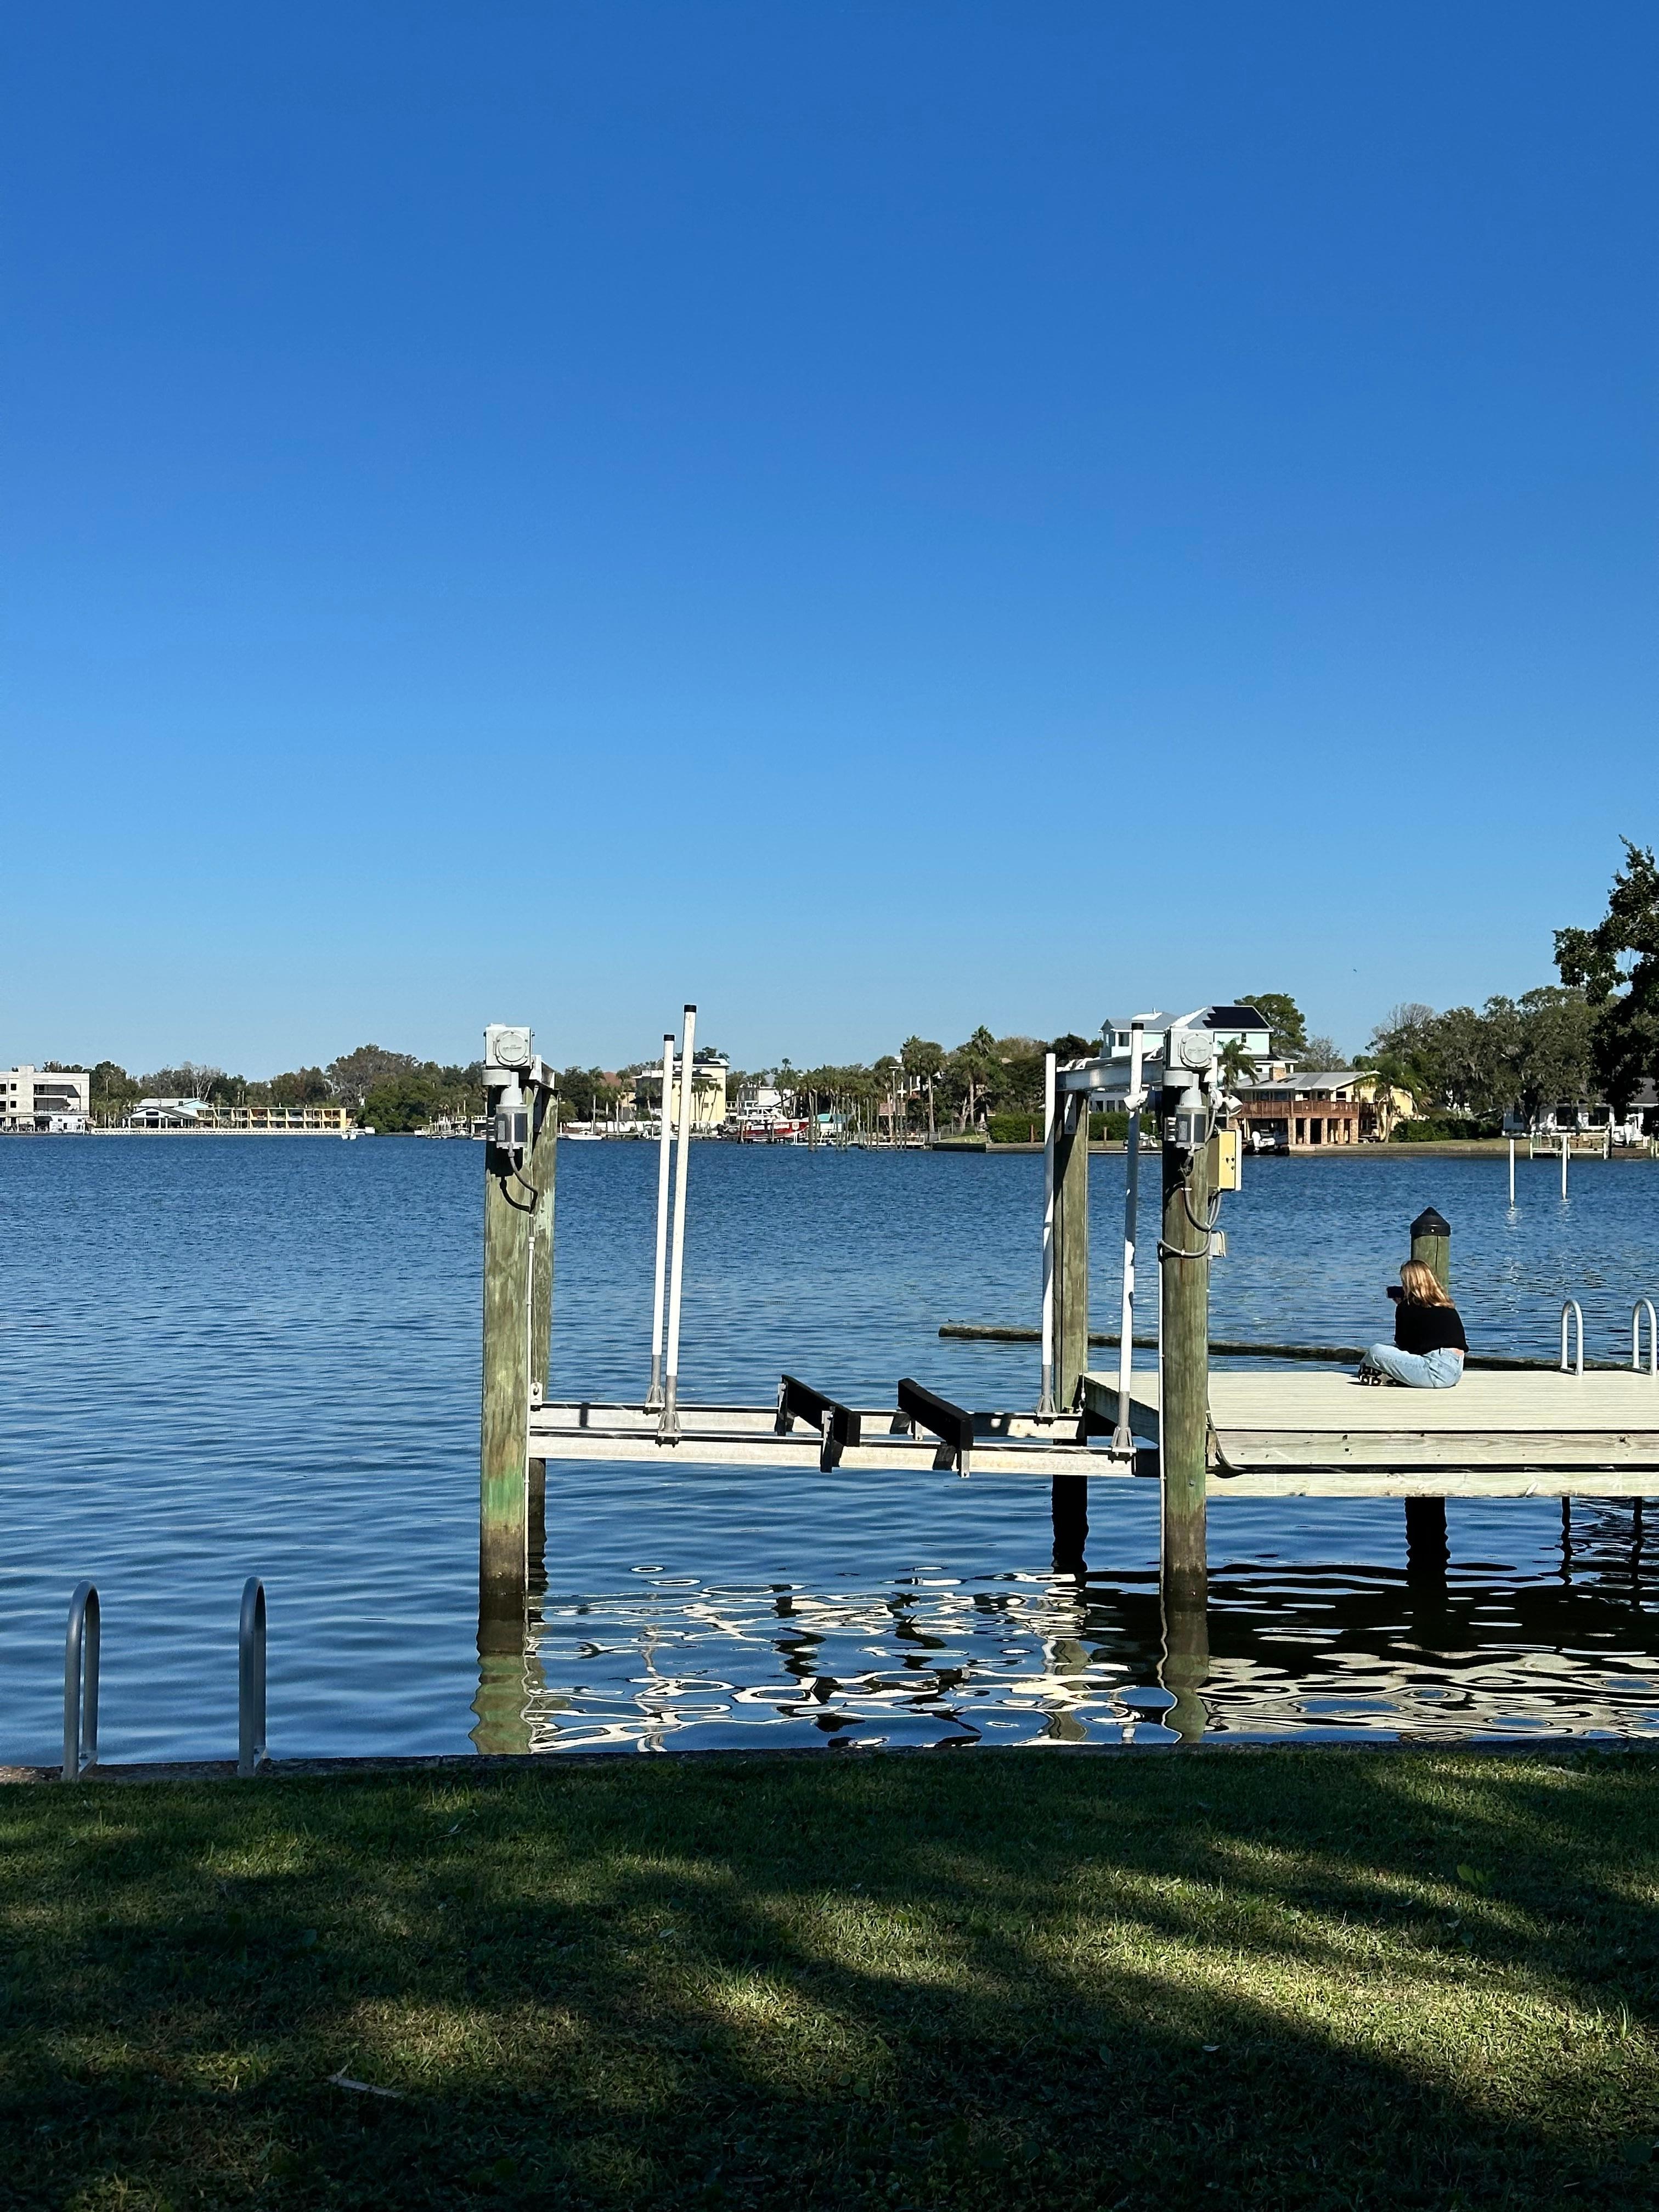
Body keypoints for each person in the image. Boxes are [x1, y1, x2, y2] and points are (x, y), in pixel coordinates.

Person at [1357, 1259, 1467, 1387]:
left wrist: (1401, 1308)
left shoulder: (1407, 1307)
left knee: (1375, 1351)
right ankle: (1394, 1377)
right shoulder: (1447, 1306)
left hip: (1434, 1371)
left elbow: (1404, 1345)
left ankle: (1368, 1370)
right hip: (1456, 1372)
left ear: (1408, 1284)